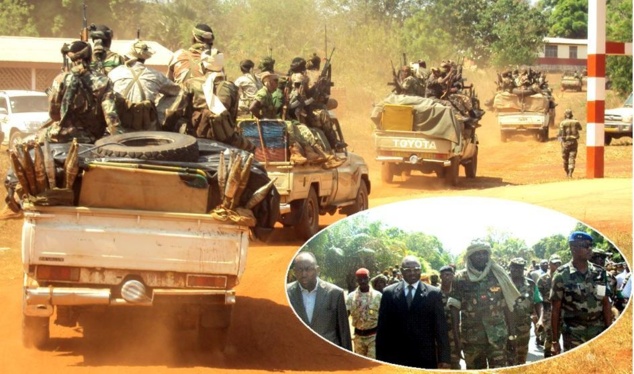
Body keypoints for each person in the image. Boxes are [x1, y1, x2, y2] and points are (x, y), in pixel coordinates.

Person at [448, 241, 521, 369]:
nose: (481, 257)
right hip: (471, 340)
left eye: (484, 253)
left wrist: (512, 335)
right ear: (470, 256)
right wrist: (456, 339)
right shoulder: (460, 278)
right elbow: (454, 310)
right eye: (477, 254)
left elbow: (508, 307)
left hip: (498, 338)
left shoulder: (498, 275)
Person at [376, 255, 451, 369]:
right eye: (408, 270)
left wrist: (444, 358)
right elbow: (382, 329)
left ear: (420, 270)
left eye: (416, 270)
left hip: (424, 357)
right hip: (396, 357)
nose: (412, 273)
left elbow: (440, 328)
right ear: (401, 271)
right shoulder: (389, 293)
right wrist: (380, 358)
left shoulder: (433, 294)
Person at [43, 40, 123, 144]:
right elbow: (110, 115)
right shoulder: (103, 81)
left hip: (61, 137)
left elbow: (54, 114)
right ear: (90, 57)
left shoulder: (60, 79)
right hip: (90, 138)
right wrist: (119, 139)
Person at [176, 51, 254, 151]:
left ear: (203, 66)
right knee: (252, 150)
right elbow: (233, 116)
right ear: (221, 67)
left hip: (194, 137)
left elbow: (176, 111)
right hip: (226, 138)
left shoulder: (190, 84)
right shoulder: (231, 87)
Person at [550, 231, 613, 356]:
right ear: (573, 248)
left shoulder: (599, 273)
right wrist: (554, 341)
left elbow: (605, 303)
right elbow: (555, 310)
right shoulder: (561, 275)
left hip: (598, 331)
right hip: (573, 334)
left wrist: (609, 332)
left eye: (591, 245)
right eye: (585, 245)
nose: (590, 249)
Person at [109, 39, 180, 131]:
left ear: (126, 58)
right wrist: (159, 111)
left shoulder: (114, 73)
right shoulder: (156, 75)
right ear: (145, 59)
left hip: (119, 130)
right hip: (148, 129)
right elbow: (178, 92)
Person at [286, 252, 352, 350]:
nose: (304, 274)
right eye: (300, 270)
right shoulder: (286, 293)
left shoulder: (334, 294)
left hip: (328, 355)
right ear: (294, 271)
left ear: (317, 270)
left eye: (308, 269)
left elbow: (343, 332)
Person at [508, 258, 543, 365]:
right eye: (514, 267)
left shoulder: (531, 284)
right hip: (505, 327)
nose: (517, 270)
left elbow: (538, 302)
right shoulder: (503, 282)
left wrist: (540, 320)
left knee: (521, 358)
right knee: (506, 358)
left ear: (523, 269)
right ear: (510, 268)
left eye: (520, 268)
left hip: (523, 327)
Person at [345, 268, 382, 358]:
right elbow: (345, 317)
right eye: (360, 279)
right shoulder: (351, 297)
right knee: (360, 365)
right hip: (358, 338)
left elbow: (384, 318)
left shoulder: (378, 296)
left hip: (373, 337)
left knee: (372, 364)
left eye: (365, 278)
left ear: (369, 278)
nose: (363, 281)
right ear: (356, 280)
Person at [537, 254, 562, 358]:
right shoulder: (542, 279)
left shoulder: (562, 277)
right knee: (550, 335)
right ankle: (547, 355)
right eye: (554, 263)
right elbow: (538, 298)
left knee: (559, 334)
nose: (556, 265)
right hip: (548, 310)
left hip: (561, 310)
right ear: (549, 264)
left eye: (558, 264)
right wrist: (540, 317)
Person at [439, 265, 461, 369]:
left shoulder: (458, 293)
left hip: (456, 335)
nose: (448, 277)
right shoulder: (435, 294)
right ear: (441, 277)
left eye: (450, 275)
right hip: (440, 335)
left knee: (455, 363)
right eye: (445, 275)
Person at [558, 109, 582, 178]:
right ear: (571, 114)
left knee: (565, 158)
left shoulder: (562, 123)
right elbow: (580, 128)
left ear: (565, 115)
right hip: (574, 142)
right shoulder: (576, 122)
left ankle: (567, 173)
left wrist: (560, 141)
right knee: (572, 158)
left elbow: (560, 134)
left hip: (565, 142)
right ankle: (570, 173)